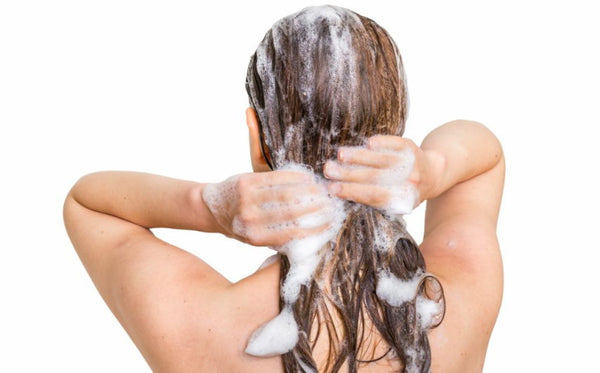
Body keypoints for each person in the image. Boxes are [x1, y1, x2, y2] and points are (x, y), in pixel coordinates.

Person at [64, 5, 503, 373]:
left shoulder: (203, 326)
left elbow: (87, 204)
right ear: (397, 133)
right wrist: (435, 167)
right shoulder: (455, 304)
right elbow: (486, 156)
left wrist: (206, 206)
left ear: (257, 140)